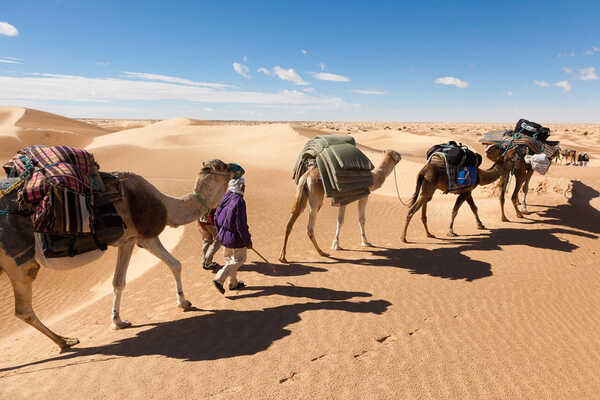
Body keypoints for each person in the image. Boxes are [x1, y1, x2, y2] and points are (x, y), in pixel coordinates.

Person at [212, 176, 252, 294]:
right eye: (243, 186)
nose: (244, 188)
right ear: (240, 186)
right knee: (239, 259)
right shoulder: (239, 201)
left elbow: (216, 216)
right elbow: (241, 225)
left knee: (229, 259)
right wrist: (247, 241)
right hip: (235, 238)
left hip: (224, 236)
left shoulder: (226, 196)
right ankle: (219, 279)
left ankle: (233, 283)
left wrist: (220, 233)